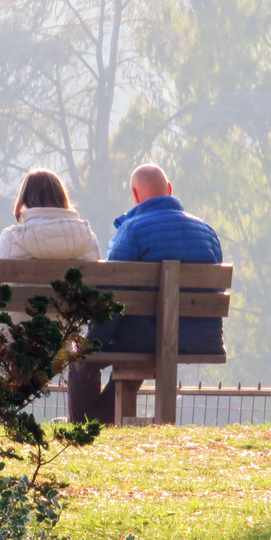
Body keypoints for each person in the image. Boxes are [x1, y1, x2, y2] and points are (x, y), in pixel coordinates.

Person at [67, 163, 224, 423]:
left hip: (146, 337)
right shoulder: (207, 233)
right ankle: (91, 426)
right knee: (130, 366)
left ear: (135, 194)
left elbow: (111, 296)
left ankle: (82, 430)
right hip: (200, 338)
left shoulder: (131, 231)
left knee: (82, 360)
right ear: (169, 190)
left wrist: (92, 343)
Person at [0, 169, 100, 390]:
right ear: (61, 197)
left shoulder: (12, 238)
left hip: (12, 335)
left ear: (25, 199)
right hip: (62, 336)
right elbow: (91, 289)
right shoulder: (87, 239)